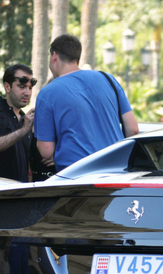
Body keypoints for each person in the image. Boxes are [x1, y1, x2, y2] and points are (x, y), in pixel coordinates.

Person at [35, 34, 139, 171]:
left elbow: (46, 151)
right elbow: (133, 130)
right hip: (116, 170)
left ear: (54, 56)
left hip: (77, 174)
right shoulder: (108, 79)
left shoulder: (47, 93)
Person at [0, 64, 37, 182]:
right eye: (22, 86)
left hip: (21, 194)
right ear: (7, 87)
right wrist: (24, 129)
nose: (27, 93)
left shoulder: (26, 118)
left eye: (30, 88)